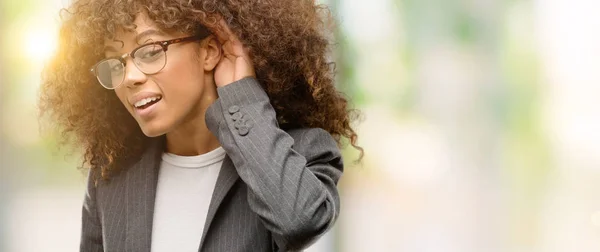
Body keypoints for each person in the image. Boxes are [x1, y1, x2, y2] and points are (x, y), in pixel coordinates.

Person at [39, 0, 361, 251]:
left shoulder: (302, 154)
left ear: (209, 51)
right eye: (116, 63)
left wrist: (242, 98)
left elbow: (300, 221)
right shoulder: (111, 177)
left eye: (150, 51)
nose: (130, 77)